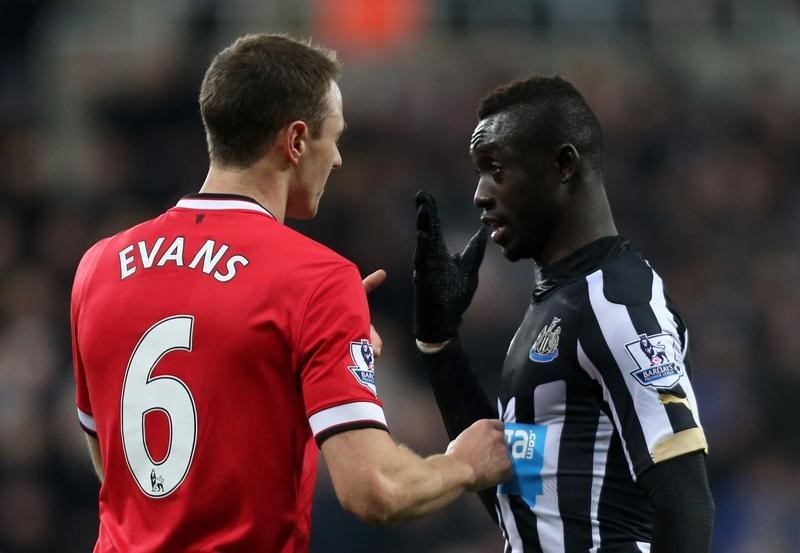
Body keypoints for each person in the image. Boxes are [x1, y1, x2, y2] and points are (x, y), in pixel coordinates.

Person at [70, 33, 511, 553]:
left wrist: (298, 363)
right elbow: (375, 490)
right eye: (335, 137)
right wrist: (463, 465)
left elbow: (113, 460)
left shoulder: (99, 265)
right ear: (297, 141)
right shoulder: (316, 279)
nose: (340, 159)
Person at [412, 75, 714, 552]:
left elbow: (686, 499)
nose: (480, 194)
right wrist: (439, 343)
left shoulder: (618, 304)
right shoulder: (556, 309)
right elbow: (525, 503)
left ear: (563, 165)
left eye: (495, 169)